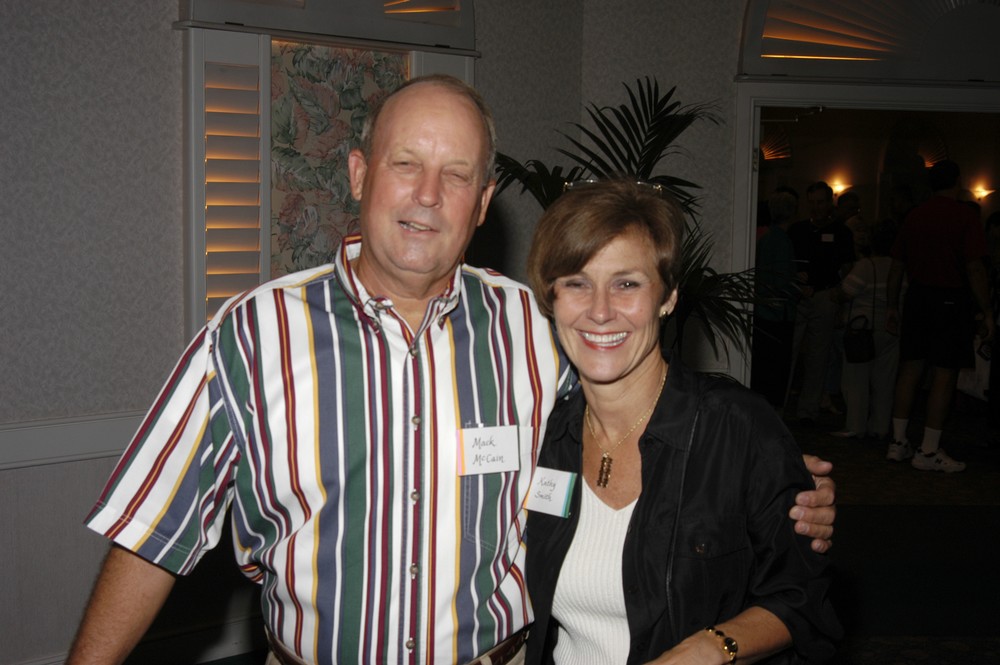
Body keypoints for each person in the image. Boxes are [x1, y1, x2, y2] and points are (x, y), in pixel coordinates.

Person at [67, 76, 837, 665]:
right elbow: (150, 536)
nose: (428, 196)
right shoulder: (250, 334)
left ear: (484, 200)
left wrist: (776, 486)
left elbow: (646, 417)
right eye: (406, 164)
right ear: (359, 173)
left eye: (457, 174)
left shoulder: (539, 328)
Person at [524, 180, 840, 664]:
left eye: (627, 283)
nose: (600, 310)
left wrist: (714, 646)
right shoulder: (542, 436)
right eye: (576, 283)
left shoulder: (737, 428)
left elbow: (803, 600)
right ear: (551, 298)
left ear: (669, 296)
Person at [886, 160, 995, 472]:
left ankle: (898, 442)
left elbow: (897, 266)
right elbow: (974, 268)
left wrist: (892, 306)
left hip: (917, 297)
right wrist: (987, 311)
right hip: (949, 299)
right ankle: (929, 449)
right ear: (957, 181)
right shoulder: (964, 216)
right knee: (944, 374)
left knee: (910, 368)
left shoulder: (914, 215)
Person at [788, 182, 855, 425]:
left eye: (821, 202)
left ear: (829, 203)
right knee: (789, 351)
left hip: (825, 296)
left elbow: (847, 266)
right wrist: (795, 278)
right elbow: (787, 261)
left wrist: (839, 294)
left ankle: (808, 410)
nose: (816, 207)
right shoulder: (797, 230)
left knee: (819, 356)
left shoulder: (841, 232)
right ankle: (780, 406)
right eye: (812, 202)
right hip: (798, 296)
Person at [831, 221, 899, 439]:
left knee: (856, 379)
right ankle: (880, 426)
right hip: (891, 328)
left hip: (863, 328)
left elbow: (845, 292)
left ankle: (855, 425)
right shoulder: (899, 266)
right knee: (885, 382)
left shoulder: (866, 266)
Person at [752, 190, 800, 409]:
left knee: (764, 369)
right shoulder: (781, 240)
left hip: (765, 311)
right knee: (775, 371)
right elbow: (780, 281)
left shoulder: (767, 238)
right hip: (776, 314)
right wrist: (798, 287)